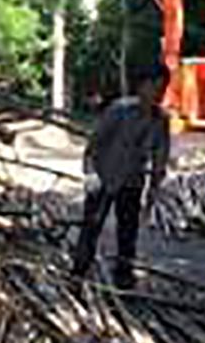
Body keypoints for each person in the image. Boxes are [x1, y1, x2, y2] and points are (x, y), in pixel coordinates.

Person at [71, 64, 170, 288]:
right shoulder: (119, 111)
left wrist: (152, 193)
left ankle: (124, 280)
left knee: (128, 234)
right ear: (142, 86)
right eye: (155, 88)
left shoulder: (160, 120)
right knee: (91, 228)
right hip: (104, 179)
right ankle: (77, 275)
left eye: (163, 89)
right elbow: (93, 146)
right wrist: (90, 175)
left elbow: (160, 159)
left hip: (132, 183)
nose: (159, 94)